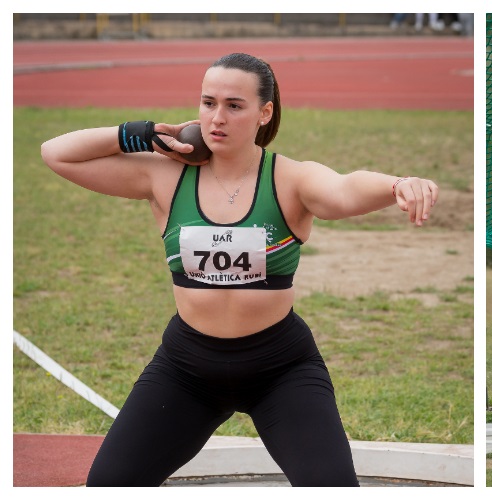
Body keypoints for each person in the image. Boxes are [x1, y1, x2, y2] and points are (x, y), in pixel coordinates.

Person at [39, 52, 439, 487]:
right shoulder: (164, 177)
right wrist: (142, 134)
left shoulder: (290, 179)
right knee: (108, 485)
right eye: (208, 103)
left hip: (280, 369)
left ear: (264, 113)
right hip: (186, 369)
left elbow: (344, 188)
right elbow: (57, 154)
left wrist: (397, 184)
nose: (217, 118)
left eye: (234, 105)